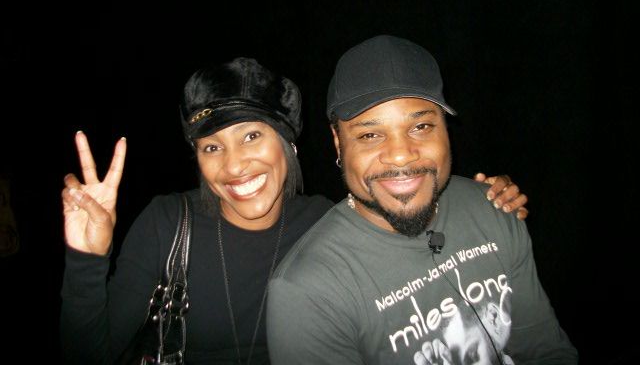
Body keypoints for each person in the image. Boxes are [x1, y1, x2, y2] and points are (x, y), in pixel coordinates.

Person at [60, 57, 529, 364]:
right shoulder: (168, 225)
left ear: (288, 144)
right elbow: (89, 355)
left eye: (251, 136)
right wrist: (86, 257)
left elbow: (411, 229)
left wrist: (485, 201)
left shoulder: (327, 223)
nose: (234, 166)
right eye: (211, 147)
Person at [266, 35, 578, 364]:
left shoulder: (495, 209)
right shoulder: (308, 292)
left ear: (446, 129)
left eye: (421, 126)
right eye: (370, 135)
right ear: (338, 143)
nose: (401, 155)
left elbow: (545, 351)